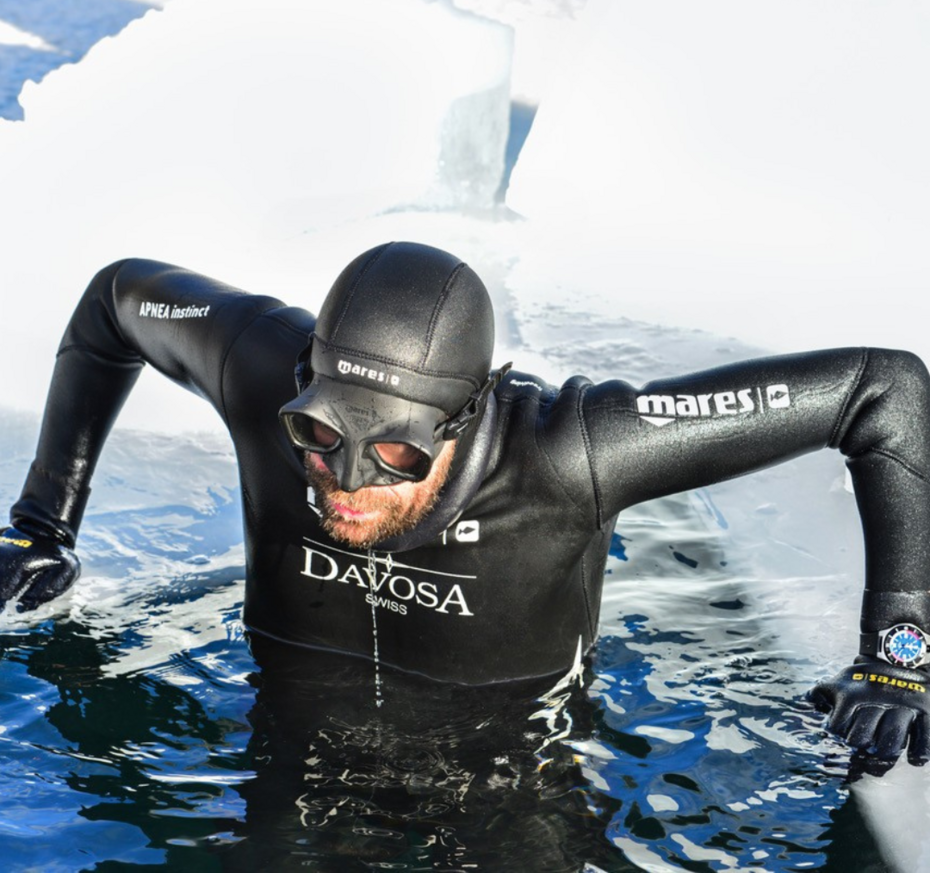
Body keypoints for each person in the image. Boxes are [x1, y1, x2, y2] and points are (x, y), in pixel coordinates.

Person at [1, 241, 929, 770]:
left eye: (396, 452)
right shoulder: (254, 365)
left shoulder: (573, 449)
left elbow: (882, 391)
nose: (349, 480)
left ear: (469, 414)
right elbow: (116, 298)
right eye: (319, 436)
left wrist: (899, 660)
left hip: (510, 771)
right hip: (289, 743)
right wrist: (42, 525)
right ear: (299, 382)